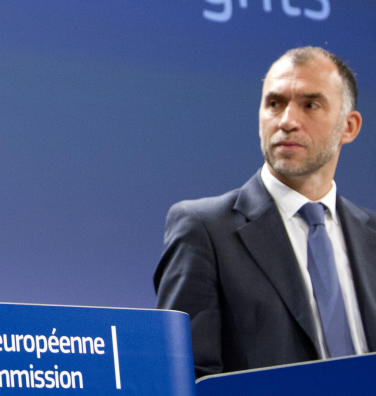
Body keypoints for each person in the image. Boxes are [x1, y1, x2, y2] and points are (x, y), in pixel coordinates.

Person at [154, 46, 376, 377]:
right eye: (274, 104)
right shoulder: (203, 229)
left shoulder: (370, 234)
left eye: (310, 105)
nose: (287, 121)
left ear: (349, 127)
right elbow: (185, 376)